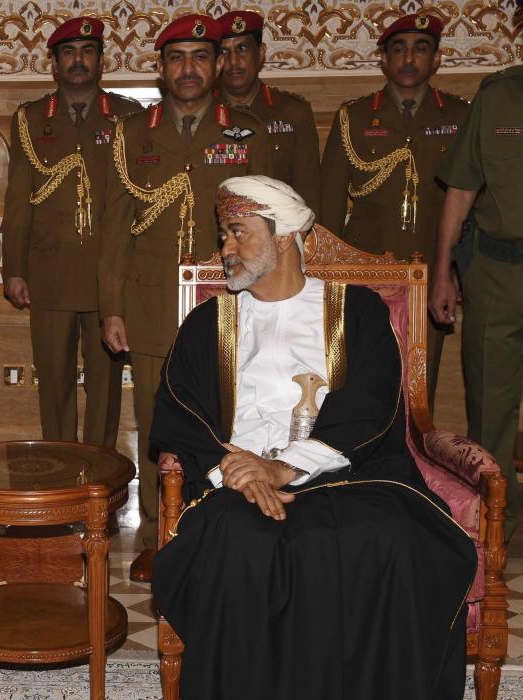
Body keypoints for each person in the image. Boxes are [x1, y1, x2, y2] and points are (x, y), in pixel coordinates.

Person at [151, 176, 475, 700]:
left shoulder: (353, 311)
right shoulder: (209, 322)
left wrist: (285, 465)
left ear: (287, 235)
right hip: (239, 486)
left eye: (239, 232)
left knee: (380, 537)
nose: (226, 247)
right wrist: (231, 468)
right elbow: (176, 412)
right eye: (223, 234)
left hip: (344, 474)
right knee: (240, 539)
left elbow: (373, 404)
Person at [99, 13, 271, 581]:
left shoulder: (246, 131)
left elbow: (268, 229)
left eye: (201, 57)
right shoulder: (132, 133)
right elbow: (115, 227)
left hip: (226, 300)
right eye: (177, 58)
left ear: (219, 64)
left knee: (228, 416)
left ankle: (217, 528)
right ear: (161, 69)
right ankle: (159, 535)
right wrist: (112, 307)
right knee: (157, 423)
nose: (189, 69)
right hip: (149, 301)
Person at [1, 17, 142, 447]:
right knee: (54, 383)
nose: (78, 61)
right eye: (68, 53)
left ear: (100, 61)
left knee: (105, 386)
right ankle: (60, 472)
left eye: (87, 52)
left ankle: (100, 473)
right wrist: (15, 268)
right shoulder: (29, 118)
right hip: (50, 272)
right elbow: (18, 200)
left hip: (108, 276)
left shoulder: (128, 116)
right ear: (55, 64)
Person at [320, 12, 468, 411]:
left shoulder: (459, 117)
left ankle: (411, 467)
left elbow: (472, 205)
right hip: (364, 270)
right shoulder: (354, 116)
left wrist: (454, 272)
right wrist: (324, 281)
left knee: (420, 388)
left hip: (431, 269)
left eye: (421, 49)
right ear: (382, 59)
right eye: (398, 49)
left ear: (436, 60)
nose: (408, 59)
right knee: (361, 381)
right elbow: (330, 207)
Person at [431, 64, 523, 539]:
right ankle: (495, 526)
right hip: (498, 271)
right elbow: (461, 189)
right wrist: (442, 269)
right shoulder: (497, 98)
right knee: (491, 404)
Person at [215, 10, 320, 214]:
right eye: (224, 52)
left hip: (278, 232)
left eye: (242, 49)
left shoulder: (292, 113)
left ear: (261, 52)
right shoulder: (206, 113)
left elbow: (309, 190)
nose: (234, 62)